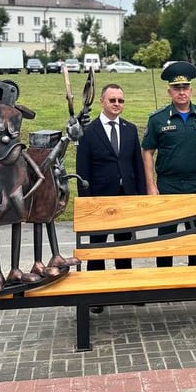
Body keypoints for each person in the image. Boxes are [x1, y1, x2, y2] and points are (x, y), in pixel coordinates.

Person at [142, 61, 196, 267]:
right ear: (169, 92)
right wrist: (151, 185)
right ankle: (164, 276)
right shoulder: (158, 119)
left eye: (185, 88)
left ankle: (195, 276)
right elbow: (148, 151)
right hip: (168, 184)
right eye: (176, 88)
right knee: (166, 236)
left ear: (191, 90)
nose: (181, 92)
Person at [75, 82, 147, 270]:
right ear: (102, 101)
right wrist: (87, 201)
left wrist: (140, 196)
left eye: (120, 101)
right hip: (99, 198)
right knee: (97, 247)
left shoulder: (130, 129)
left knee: (124, 246)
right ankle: (96, 284)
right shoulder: (89, 131)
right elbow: (82, 169)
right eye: (112, 100)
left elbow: (137, 165)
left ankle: (124, 281)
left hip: (126, 196)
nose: (117, 104)